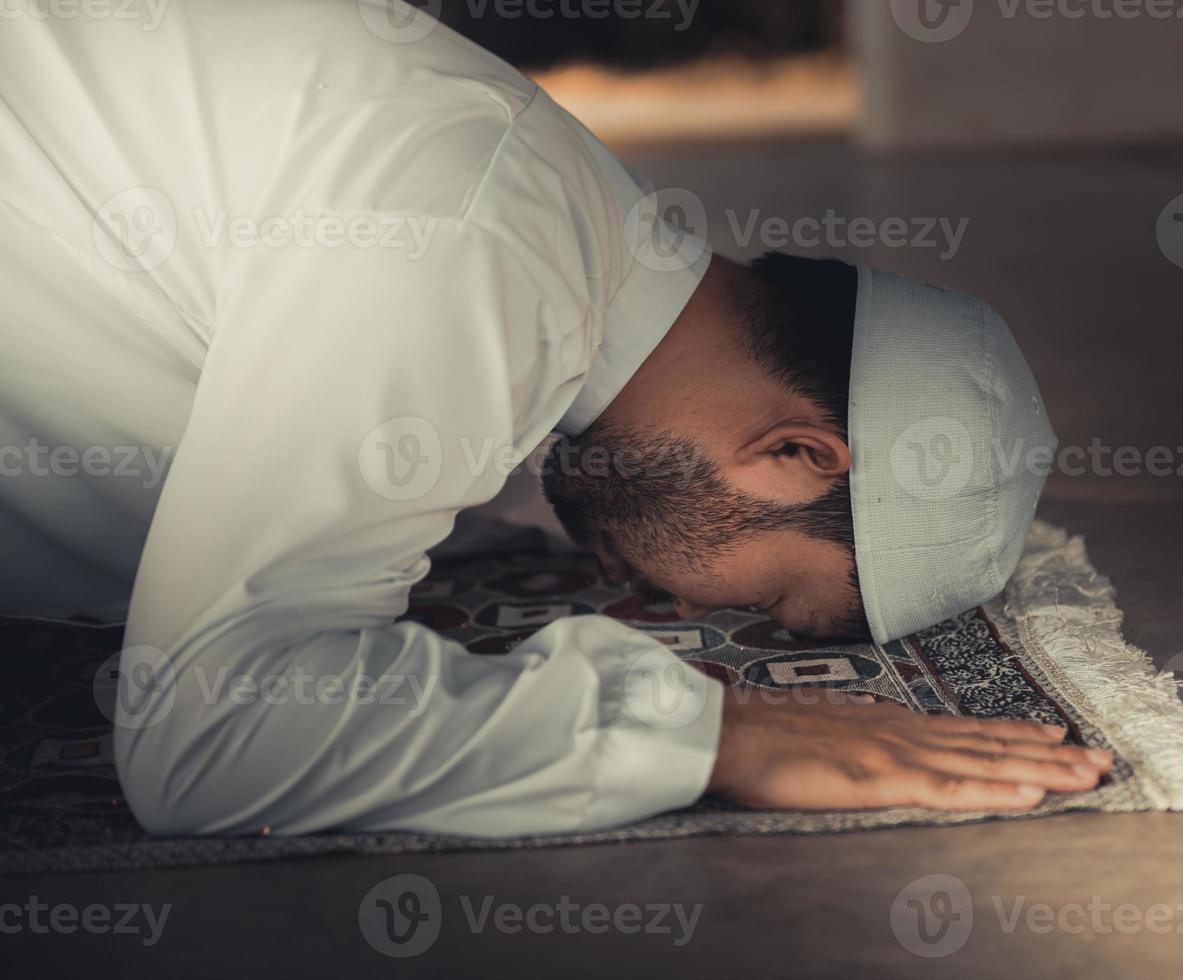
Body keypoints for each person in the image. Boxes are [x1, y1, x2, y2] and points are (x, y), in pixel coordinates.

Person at [0, 0, 1105, 839]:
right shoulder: (473, 240)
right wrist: (715, 732)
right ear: (798, 453)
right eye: (771, 597)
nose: (651, 605)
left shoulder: (566, 234)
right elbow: (210, 736)